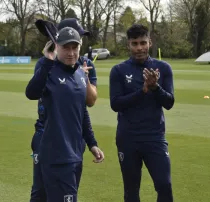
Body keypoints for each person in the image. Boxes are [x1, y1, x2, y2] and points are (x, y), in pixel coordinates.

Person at [25, 27, 104, 202]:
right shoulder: (49, 71)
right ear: (56, 48)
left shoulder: (80, 75)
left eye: (74, 48)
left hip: (75, 154)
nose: (71, 53)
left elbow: (81, 112)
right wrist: (47, 61)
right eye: (65, 48)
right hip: (56, 155)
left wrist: (92, 143)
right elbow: (31, 93)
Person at [109, 24, 174, 202]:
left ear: (150, 42)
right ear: (128, 45)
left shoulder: (163, 68)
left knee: (164, 185)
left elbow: (169, 102)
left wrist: (155, 87)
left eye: (143, 43)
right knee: (131, 191)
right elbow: (115, 104)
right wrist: (143, 91)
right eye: (134, 43)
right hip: (128, 138)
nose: (139, 48)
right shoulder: (118, 71)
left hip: (155, 137)